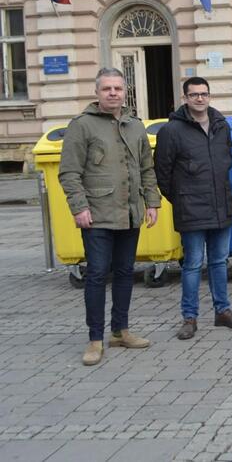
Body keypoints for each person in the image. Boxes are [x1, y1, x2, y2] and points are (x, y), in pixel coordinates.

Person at [58, 68, 160, 366]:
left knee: (126, 273)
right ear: (97, 92)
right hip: (97, 215)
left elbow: (146, 168)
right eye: (107, 89)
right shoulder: (82, 126)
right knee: (98, 275)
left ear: (124, 91)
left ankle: (120, 330)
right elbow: (69, 172)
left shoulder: (135, 126)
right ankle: (94, 339)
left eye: (118, 88)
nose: (113, 93)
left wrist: (151, 203)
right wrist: (79, 207)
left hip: (129, 212)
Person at [154, 77, 232, 340]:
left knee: (219, 261)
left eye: (203, 94)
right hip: (191, 207)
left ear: (209, 96)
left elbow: (225, 162)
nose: (199, 99)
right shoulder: (171, 131)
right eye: (193, 94)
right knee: (193, 264)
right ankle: (190, 317)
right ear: (184, 98)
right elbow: (162, 173)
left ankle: (223, 311)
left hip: (221, 205)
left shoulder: (221, 126)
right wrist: (181, 198)